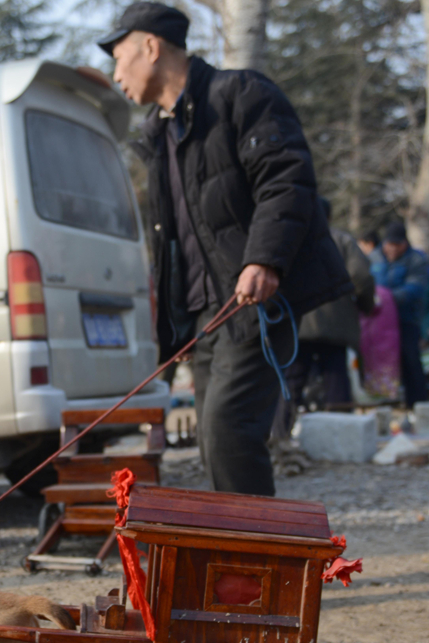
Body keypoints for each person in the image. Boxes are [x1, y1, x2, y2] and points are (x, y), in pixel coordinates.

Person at [100, 2, 352, 495]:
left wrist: (264, 258)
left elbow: (286, 180)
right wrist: (173, 332)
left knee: (227, 430)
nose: (116, 74)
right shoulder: (160, 134)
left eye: (118, 57)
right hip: (204, 318)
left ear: (150, 47)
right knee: (214, 442)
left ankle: (255, 564)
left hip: (253, 303)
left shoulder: (240, 94)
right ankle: (234, 560)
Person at [275, 199, 375, 435]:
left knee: (292, 379)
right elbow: (361, 275)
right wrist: (364, 304)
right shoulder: (342, 240)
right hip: (335, 322)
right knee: (336, 377)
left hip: (298, 321)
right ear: (328, 217)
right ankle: (341, 436)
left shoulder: (291, 237)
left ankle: (280, 434)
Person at [369, 221, 428, 407]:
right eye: (389, 244)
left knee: (410, 359)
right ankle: (385, 403)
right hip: (379, 322)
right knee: (381, 361)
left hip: (407, 319)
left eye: (397, 244)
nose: (392, 249)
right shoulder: (374, 258)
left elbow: (415, 289)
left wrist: (385, 298)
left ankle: (417, 404)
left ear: (405, 243)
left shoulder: (417, 260)